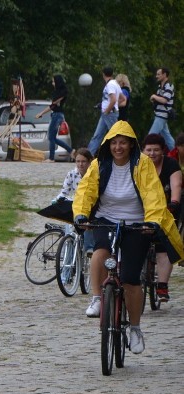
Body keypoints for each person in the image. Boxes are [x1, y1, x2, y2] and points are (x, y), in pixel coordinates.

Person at [73, 121, 183, 354]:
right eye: (114, 143)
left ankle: (135, 328)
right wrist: (81, 214)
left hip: (137, 223)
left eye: (123, 142)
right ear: (108, 144)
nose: (118, 147)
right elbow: (86, 190)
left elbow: (153, 194)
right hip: (106, 218)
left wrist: (152, 221)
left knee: (131, 278)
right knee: (100, 250)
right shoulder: (99, 164)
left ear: (131, 144)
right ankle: (96, 298)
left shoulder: (143, 164)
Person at [142, 133, 182, 302]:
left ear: (163, 151)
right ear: (143, 151)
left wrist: (174, 202)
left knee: (163, 246)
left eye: (156, 150)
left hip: (167, 210)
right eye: (148, 150)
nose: (152, 154)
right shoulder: (139, 165)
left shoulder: (171, 164)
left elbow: (176, 185)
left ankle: (162, 286)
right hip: (143, 209)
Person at [35, 74, 73, 162]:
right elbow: (52, 105)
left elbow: (55, 102)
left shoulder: (63, 92)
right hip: (55, 114)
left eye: (53, 81)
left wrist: (56, 102)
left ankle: (52, 158)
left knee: (51, 137)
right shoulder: (57, 92)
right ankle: (70, 150)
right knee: (52, 137)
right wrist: (41, 113)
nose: (52, 83)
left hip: (57, 115)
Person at [87, 66, 122, 156]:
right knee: (97, 135)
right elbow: (122, 98)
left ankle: (124, 153)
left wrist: (107, 110)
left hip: (109, 113)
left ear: (103, 74)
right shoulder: (116, 83)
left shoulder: (110, 85)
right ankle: (88, 155)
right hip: (108, 113)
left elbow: (113, 99)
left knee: (116, 135)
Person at [148, 67, 176, 152]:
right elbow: (159, 99)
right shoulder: (160, 86)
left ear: (164, 75)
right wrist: (155, 99)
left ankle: (143, 158)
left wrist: (154, 96)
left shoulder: (169, 86)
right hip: (159, 114)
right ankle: (178, 155)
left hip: (162, 115)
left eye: (158, 74)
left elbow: (164, 100)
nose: (157, 76)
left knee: (151, 136)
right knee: (168, 139)